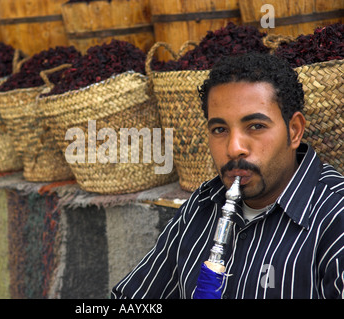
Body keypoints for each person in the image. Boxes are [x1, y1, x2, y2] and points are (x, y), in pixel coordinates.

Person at [111, 53, 344, 299]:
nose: (234, 149)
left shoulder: (335, 216)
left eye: (256, 126)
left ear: (294, 131)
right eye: (220, 130)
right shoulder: (202, 205)